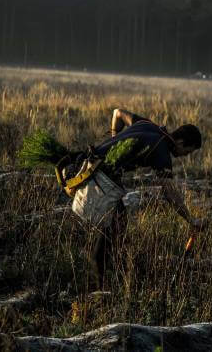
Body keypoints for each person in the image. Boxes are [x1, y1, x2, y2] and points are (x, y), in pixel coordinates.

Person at [75, 108, 204, 288]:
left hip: (92, 167)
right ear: (180, 142)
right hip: (101, 179)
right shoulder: (161, 150)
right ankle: (99, 285)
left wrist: (115, 139)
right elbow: (169, 192)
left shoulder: (148, 125)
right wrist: (190, 219)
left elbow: (117, 113)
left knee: (117, 228)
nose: (184, 157)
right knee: (112, 230)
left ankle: (109, 277)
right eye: (187, 152)